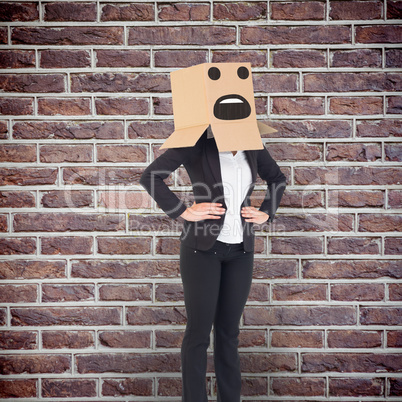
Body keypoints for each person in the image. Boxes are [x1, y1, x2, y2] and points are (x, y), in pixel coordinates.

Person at [140, 126, 286, 402]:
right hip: (202, 250)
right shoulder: (197, 142)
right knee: (198, 332)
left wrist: (266, 212)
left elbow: (277, 179)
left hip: (241, 252)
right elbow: (150, 177)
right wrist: (183, 211)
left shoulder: (251, 142)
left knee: (228, 333)